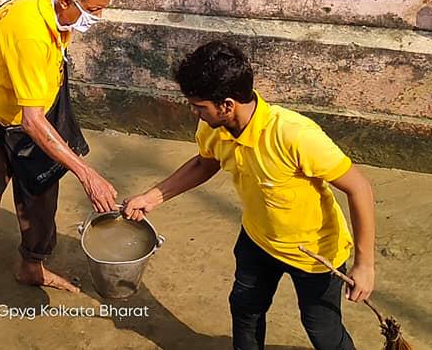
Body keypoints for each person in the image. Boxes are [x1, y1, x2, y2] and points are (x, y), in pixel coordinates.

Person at [122, 41, 376, 349]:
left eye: (200, 106)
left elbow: (359, 188)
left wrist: (365, 264)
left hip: (316, 255)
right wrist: (151, 198)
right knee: (245, 310)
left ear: (227, 105)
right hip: (257, 241)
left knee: (322, 330)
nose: (194, 111)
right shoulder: (212, 128)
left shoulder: (294, 134)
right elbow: (205, 163)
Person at [0, 0, 119, 327]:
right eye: (93, 9)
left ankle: (32, 266)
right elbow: (32, 121)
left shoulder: (53, 11)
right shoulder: (29, 33)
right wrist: (87, 174)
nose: (98, 17)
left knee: (41, 200)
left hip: (33, 118)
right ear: (66, 0)